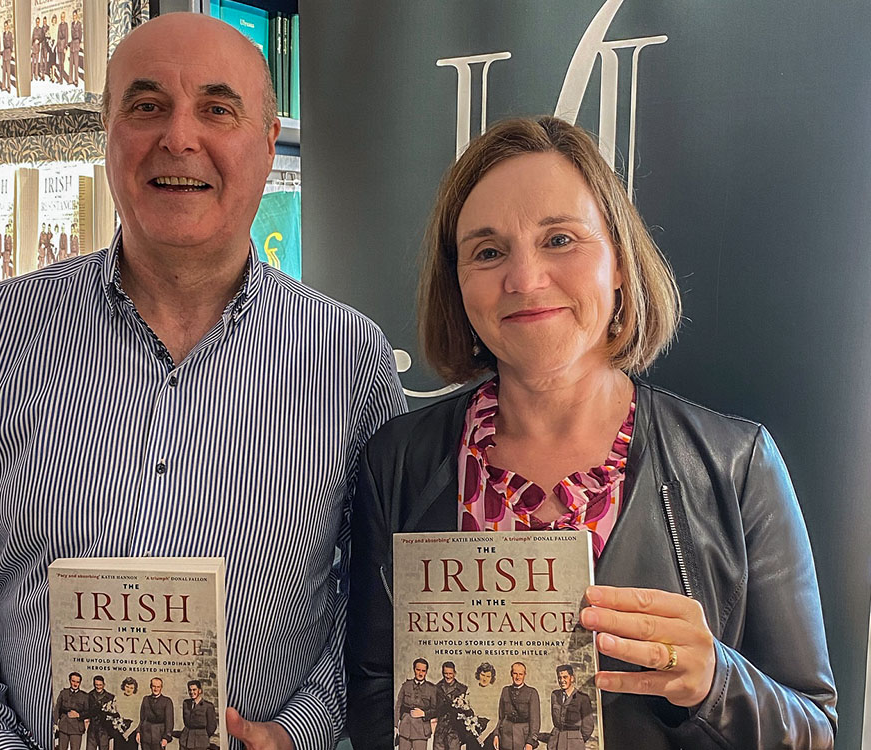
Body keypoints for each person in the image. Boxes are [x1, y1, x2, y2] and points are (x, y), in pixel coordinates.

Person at [0, 11, 404, 750]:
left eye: (217, 109)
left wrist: (300, 732)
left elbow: (372, 591)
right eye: (146, 105)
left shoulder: (352, 359)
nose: (179, 137)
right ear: (108, 134)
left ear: (265, 146)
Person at [346, 115, 837, 749]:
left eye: (560, 240)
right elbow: (372, 693)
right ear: (458, 284)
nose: (524, 279)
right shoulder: (398, 462)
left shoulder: (734, 465)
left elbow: (817, 731)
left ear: (621, 264)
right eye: (488, 251)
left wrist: (716, 681)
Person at [540, 665, 593, 750]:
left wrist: (577, 739)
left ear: (572, 678)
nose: (562, 681)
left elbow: (588, 727)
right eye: (559, 678)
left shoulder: (582, 698)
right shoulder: (555, 695)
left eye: (565, 677)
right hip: (556, 742)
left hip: (574, 744)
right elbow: (556, 721)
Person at [394, 658, 438, 750]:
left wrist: (424, 714)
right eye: (418, 670)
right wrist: (395, 726)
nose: (420, 673)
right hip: (405, 728)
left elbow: (436, 710)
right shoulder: (406, 686)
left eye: (423, 671)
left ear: (426, 672)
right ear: (414, 669)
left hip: (421, 731)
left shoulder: (432, 689)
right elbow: (398, 706)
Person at [494, 663, 539, 750]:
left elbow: (535, 722)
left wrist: (530, 742)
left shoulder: (531, 693)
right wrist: (496, 734)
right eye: (515, 673)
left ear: (524, 675)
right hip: (506, 737)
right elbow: (501, 717)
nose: (518, 677)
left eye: (521, 674)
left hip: (523, 738)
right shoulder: (505, 691)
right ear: (511, 674)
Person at [434, 662, 468, 750]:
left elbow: (467, 710)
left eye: (450, 673)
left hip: (454, 730)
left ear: (455, 673)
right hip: (440, 730)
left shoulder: (462, 689)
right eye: (446, 673)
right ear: (442, 673)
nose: (448, 676)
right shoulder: (436, 688)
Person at [56, 672, 91, 750]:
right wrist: (55, 723)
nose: (75, 684)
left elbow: (88, 712)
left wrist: (79, 715)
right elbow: (57, 708)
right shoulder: (63, 693)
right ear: (69, 681)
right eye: (73, 681)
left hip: (77, 729)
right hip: (64, 726)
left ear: (80, 683)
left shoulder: (84, 696)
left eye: (77, 682)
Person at [137, 678, 173, 750]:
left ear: (161, 688)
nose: (156, 689)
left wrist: (166, 737)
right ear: (150, 687)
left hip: (159, 736)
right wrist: (138, 732)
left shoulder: (167, 701)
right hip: (145, 735)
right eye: (154, 686)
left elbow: (169, 722)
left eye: (158, 687)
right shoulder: (146, 699)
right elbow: (142, 718)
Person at [181, 680, 218, 748]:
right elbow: (185, 721)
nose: (192, 692)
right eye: (190, 690)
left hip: (200, 742)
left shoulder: (208, 706)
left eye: (194, 690)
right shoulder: (186, 703)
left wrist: (203, 736)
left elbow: (212, 726)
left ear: (200, 691)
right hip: (185, 740)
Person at [87, 675, 115, 750]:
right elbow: (87, 711)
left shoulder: (110, 697)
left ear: (104, 685)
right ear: (94, 684)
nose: (98, 687)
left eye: (100, 685)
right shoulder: (89, 695)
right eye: (96, 685)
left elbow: (114, 714)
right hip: (92, 728)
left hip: (104, 729)